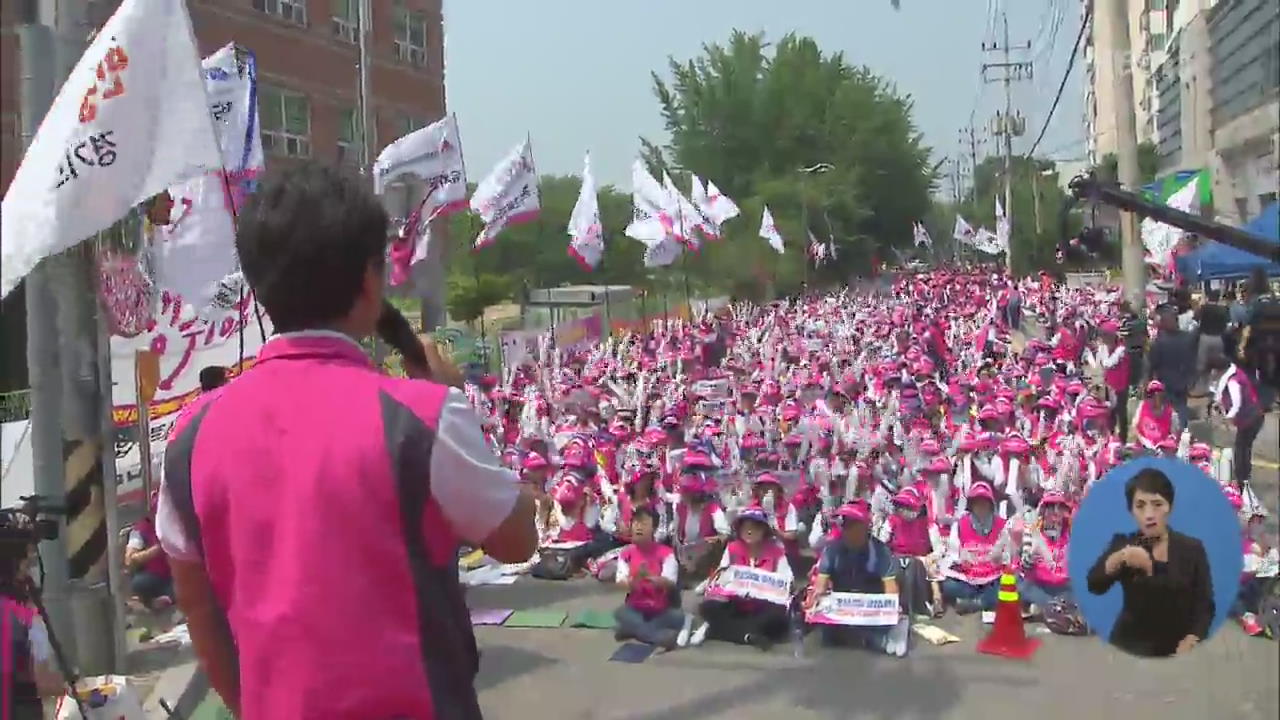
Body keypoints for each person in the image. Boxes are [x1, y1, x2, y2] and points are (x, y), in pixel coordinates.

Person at [156, 163, 537, 720]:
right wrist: (464, 412)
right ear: (369, 282)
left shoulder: (188, 436)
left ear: (259, 289)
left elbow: (200, 610)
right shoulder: (424, 418)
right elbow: (517, 539)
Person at [1086, 468, 1214, 657]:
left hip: (1176, 651)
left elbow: (1205, 606)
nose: (1149, 515)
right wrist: (1118, 558)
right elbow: (1094, 584)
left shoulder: (1192, 549)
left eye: (1157, 504)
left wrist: (1193, 637)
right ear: (1131, 511)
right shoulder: (1124, 544)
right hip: (1128, 648)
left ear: (1168, 506)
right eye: (1140, 506)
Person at [807, 502, 910, 656]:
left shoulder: (881, 551)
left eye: (853, 523)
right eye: (845, 523)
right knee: (828, 636)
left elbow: (890, 589)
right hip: (844, 603)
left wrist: (892, 609)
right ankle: (870, 638)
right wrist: (816, 600)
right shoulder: (831, 549)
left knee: (875, 634)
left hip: (871, 605)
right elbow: (821, 584)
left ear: (864, 526)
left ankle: (893, 630)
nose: (847, 528)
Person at [693, 505, 794, 650]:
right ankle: (747, 635)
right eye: (745, 527)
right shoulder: (732, 548)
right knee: (708, 607)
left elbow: (787, 581)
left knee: (778, 620)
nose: (749, 531)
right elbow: (722, 575)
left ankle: (717, 630)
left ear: (764, 530)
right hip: (735, 604)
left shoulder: (777, 551)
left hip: (763, 606)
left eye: (755, 527)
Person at [613, 507, 686, 650]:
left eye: (644, 524)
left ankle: (632, 630)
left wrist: (650, 577)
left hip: (661, 608)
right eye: (636, 523)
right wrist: (636, 579)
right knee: (620, 613)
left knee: (678, 617)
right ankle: (659, 637)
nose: (639, 527)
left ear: (653, 528)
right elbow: (621, 584)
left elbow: (670, 583)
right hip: (635, 607)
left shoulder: (666, 553)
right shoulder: (626, 553)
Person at [939, 481, 1010, 614]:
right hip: (968, 576)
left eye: (984, 502)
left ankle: (977, 603)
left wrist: (1001, 557)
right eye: (977, 502)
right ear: (971, 505)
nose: (981, 506)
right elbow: (952, 554)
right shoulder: (959, 524)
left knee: (1011, 584)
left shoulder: (1003, 525)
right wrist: (961, 556)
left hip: (994, 576)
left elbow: (1010, 556)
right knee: (948, 585)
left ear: (991, 504)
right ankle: (984, 601)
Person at [1207, 352, 1265, 490]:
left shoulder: (1233, 380)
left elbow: (1236, 403)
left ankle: (1242, 480)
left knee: (1241, 449)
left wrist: (1228, 418)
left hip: (1251, 418)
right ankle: (1243, 477)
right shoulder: (1234, 373)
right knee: (1244, 448)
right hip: (1254, 416)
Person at [1146, 305, 1196, 427]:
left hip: (1164, 384)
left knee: (1166, 413)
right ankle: (1182, 434)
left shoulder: (1158, 342)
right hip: (1183, 382)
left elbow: (1151, 366)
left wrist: (1148, 385)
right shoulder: (1188, 338)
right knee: (1181, 410)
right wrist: (1191, 380)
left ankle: (1168, 436)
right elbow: (1193, 361)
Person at [125, 490, 174, 611]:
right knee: (139, 583)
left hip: (175, 574)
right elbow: (129, 559)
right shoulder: (141, 529)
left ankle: (166, 600)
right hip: (154, 576)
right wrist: (157, 550)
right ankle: (151, 602)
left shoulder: (176, 525)